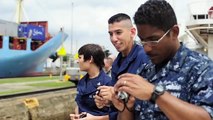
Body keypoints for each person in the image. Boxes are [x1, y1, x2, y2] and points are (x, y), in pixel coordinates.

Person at [112, 0, 213, 120]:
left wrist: (155, 94)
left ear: (174, 32)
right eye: (142, 41)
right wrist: (125, 108)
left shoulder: (202, 69)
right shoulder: (145, 69)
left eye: (153, 40)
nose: (146, 48)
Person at [94, 13, 150, 120]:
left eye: (118, 32)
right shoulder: (117, 63)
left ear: (132, 32)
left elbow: (151, 99)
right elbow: (117, 101)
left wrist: (116, 96)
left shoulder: (145, 58)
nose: (114, 39)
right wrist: (107, 100)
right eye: (111, 34)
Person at [70, 44, 111, 120]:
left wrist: (94, 118)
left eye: (80, 57)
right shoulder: (82, 82)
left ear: (90, 59)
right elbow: (79, 105)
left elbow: (117, 115)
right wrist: (78, 116)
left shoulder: (108, 83)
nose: (77, 61)